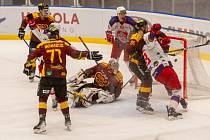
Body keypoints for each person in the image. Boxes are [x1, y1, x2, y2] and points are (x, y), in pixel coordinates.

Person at [23, 24, 102, 133]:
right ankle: (67, 120)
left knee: (42, 98)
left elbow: (32, 55)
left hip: (47, 76)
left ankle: (42, 122)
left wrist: (27, 65)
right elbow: (75, 54)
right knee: (63, 99)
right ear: (57, 34)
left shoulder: (43, 45)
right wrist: (88, 54)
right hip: (60, 76)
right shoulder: (63, 44)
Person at [141, 23, 185, 120]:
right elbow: (151, 37)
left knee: (175, 89)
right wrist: (153, 30)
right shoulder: (148, 38)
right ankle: (171, 109)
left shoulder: (147, 48)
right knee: (177, 90)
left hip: (157, 74)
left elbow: (161, 47)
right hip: (164, 69)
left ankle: (179, 100)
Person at [18, 3, 54, 81]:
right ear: (40, 10)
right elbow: (25, 20)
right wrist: (21, 30)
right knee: (32, 57)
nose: (47, 12)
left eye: (47, 10)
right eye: (45, 10)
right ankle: (32, 71)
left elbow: (53, 30)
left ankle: (44, 72)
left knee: (45, 58)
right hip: (34, 41)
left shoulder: (50, 19)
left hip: (44, 42)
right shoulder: (33, 16)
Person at [126, 19, 154, 114]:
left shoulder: (145, 37)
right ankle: (141, 101)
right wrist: (137, 56)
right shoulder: (136, 36)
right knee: (147, 79)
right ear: (143, 27)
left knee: (147, 80)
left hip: (142, 64)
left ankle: (143, 100)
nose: (147, 28)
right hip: (136, 63)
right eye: (146, 26)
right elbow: (129, 49)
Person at [106, 6, 137, 84]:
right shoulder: (113, 21)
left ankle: (134, 76)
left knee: (127, 60)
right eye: (121, 14)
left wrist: (134, 41)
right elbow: (108, 30)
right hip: (118, 41)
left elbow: (136, 32)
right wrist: (109, 35)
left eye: (124, 13)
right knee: (113, 59)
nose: (122, 15)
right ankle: (112, 76)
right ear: (117, 14)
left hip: (128, 43)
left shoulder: (130, 22)